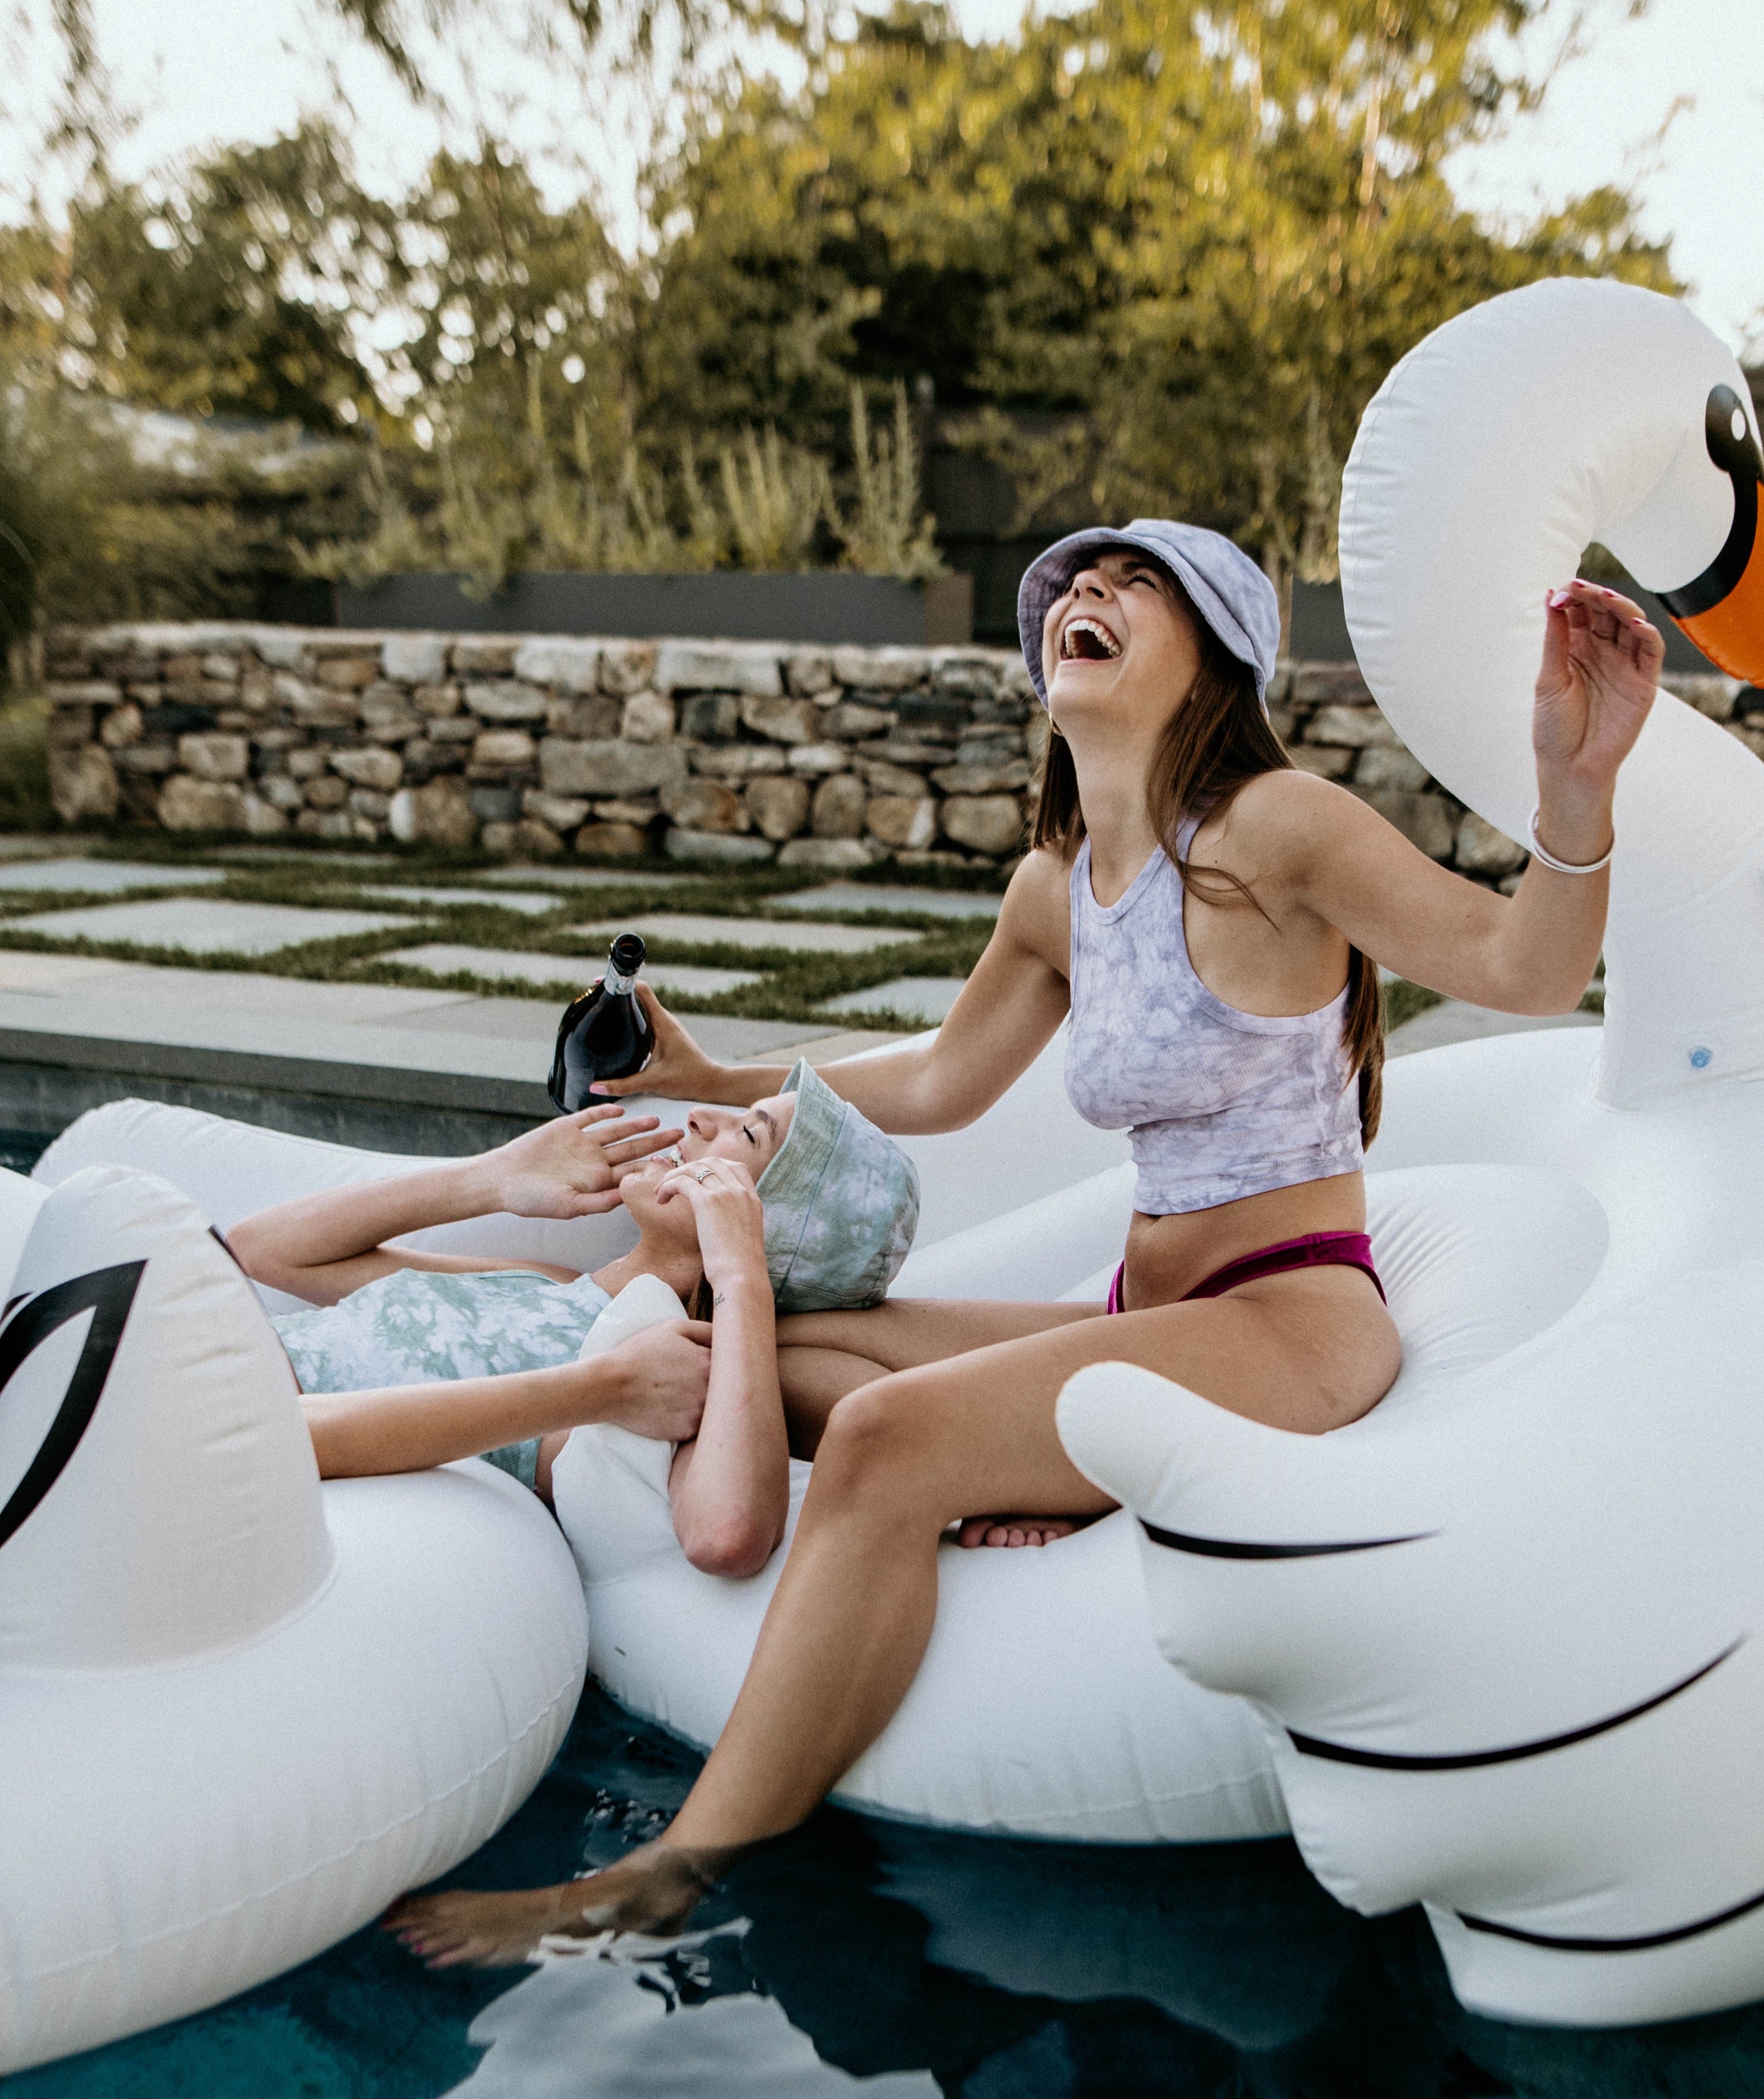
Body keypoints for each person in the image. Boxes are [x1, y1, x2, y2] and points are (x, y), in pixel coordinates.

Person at [385, 519, 1663, 1962]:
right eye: (1069, 587)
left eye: (1131, 583)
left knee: (878, 1438)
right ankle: (1054, 1481)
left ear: (1215, 655)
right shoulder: (1057, 890)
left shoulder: (1274, 831)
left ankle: (673, 1872)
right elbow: (937, 1081)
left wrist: (1574, 785)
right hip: (1139, 1315)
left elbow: (1527, 965)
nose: (1082, 596)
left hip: (1287, 1318)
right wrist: (704, 1077)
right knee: (778, 1353)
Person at [229, 1059, 919, 1580]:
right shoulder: (548, 1286)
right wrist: (492, 1178)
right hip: (203, 1361)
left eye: (747, 1132)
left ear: (764, 1222)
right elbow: (261, 1253)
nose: (702, 1119)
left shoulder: (658, 1365)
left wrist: (738, 1275)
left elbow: (727, 1536)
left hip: (224, 1436)